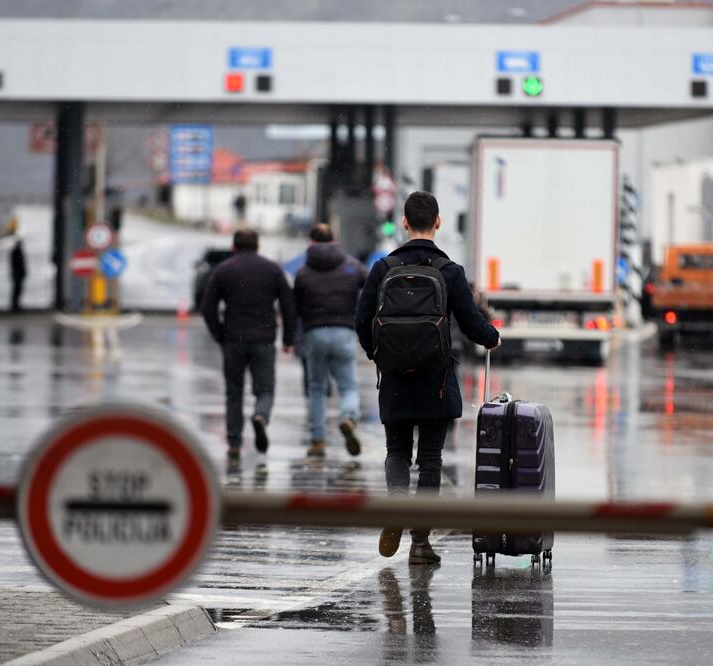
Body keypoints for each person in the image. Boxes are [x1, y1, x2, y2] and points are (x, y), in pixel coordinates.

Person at [355, 191, 500, 565]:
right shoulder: (449, 271)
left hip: (396, 377)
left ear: (404, 222)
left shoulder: (384, 268)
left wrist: (379, 354)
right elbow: (470, 323)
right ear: (438, 222)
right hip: (435, 378)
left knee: (397, 451)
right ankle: (420, 542)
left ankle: (396, 508)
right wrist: (492, 337)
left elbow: (361, 320)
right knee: (431, 458)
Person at [201, 229, 296, 458]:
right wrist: (288, 339)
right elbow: (288, 305)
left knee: (234, 392)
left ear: (234, 247)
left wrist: (219, 334)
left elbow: (207, 307)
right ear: (257, 246)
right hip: (263, 339)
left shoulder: (223, 270)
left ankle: (234, 441)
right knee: (265, 390)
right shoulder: (272, 269)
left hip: (233, 339)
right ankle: (261, 415)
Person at [293, 223, 368, 458]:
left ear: (312, 242)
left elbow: (295, 306)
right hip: (344, 331)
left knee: (316, 388)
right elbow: (371, 286)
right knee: (348, 386)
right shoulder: (352, 266)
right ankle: (348, 417)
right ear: (334, 240)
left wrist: (294, 337)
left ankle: (318, 441)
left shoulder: (303, 272)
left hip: (314, 333)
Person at [9, 233, 27, 312]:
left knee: (17, 290)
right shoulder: (17, 252)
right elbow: (19, 264)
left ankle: (15, 305)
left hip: (17, 274)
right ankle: (15, 306)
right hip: (18, 274)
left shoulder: (16, 251)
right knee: (17, 290)